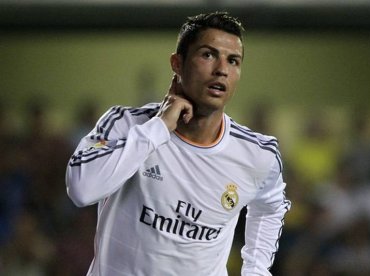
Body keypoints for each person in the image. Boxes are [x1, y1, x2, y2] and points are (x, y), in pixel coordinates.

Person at [66, 11, 291, 276]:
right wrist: (158, 128)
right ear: (177, 63)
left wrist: (256, 270)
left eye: (233, 61)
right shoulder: (125, 124)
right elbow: (82, 189)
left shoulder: (258, 154)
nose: (221, 69)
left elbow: (270, 208)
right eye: (208, 54)